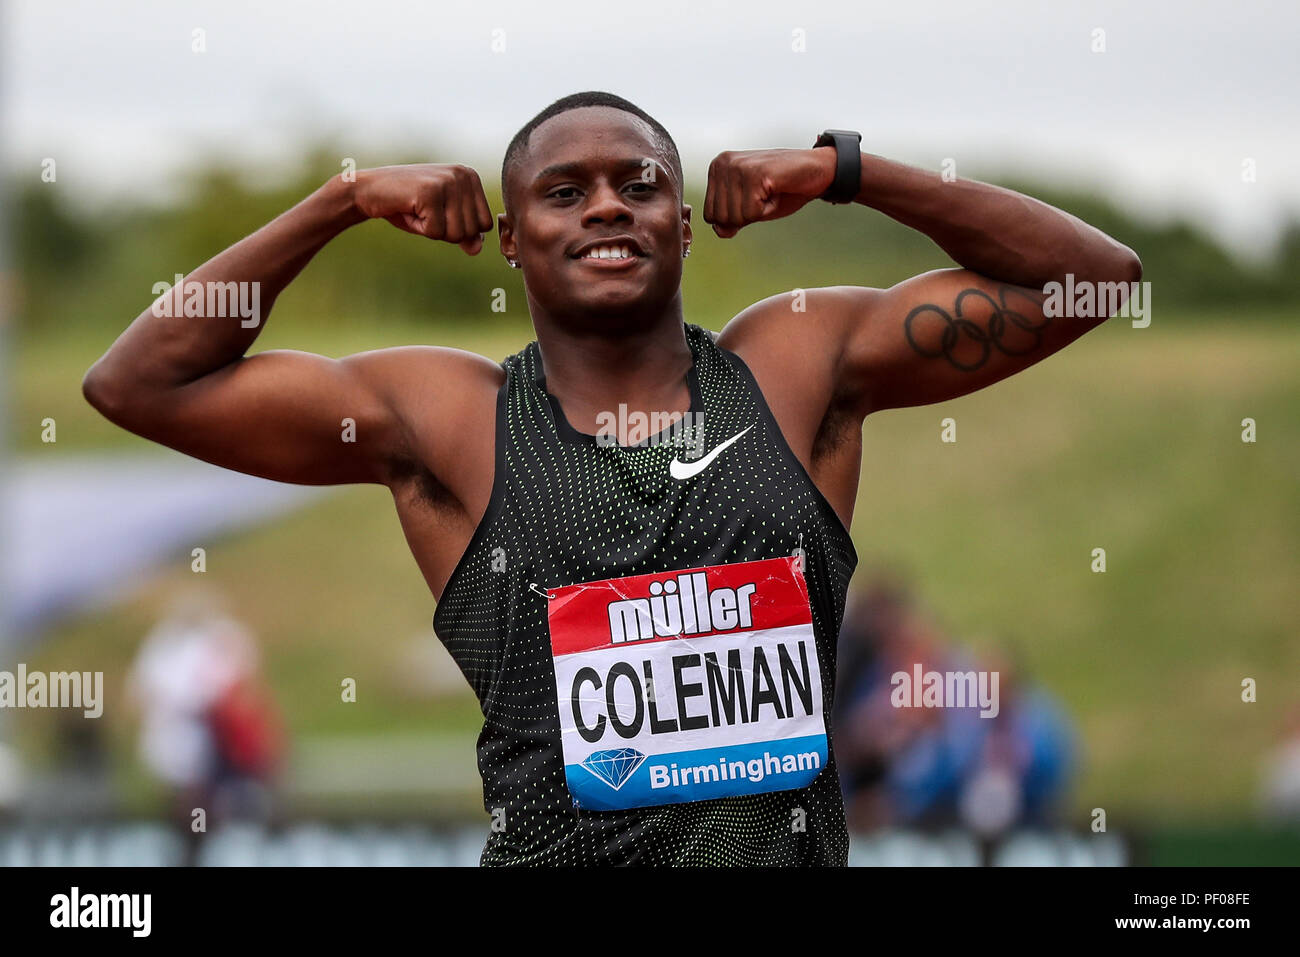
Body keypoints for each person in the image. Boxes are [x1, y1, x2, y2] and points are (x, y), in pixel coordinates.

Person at [82, 91, 1141, 866]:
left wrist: (848, 171)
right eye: (563, 190)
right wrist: (344, 199)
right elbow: (138, 384)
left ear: (681, 226)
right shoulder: (452, 419)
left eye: (639, 185)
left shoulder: (792, 363)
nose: (605, 207)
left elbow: (1095, 281)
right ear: (510, 239)